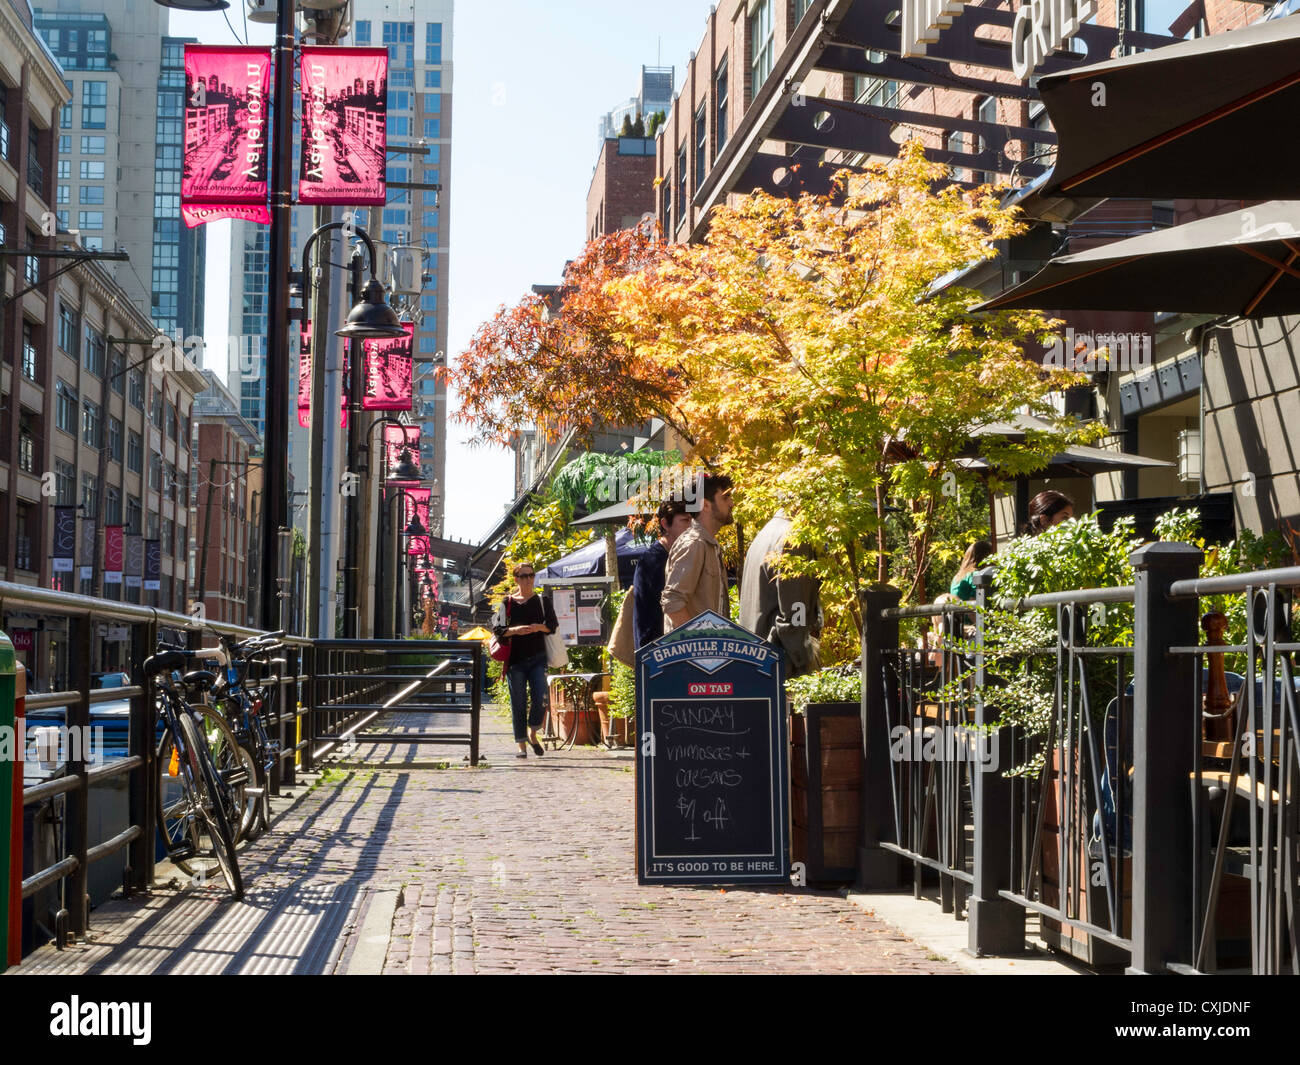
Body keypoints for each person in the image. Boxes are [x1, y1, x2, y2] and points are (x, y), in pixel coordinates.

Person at [739, 512, 823, 677]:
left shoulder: (762, 536)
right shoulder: (794, 539)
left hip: (756, 658)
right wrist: (804, 658)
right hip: (782, 664)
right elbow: (795, 611)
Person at [492, 562, 559, 759]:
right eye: (523, 576)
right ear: (516, 579)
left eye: (531, 575)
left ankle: (533, 732)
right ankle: (521, 745)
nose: (528, 579)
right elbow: (498, 629)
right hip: (515, 661)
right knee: (518, 703)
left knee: (541, 697)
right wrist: (515, 630)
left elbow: (552, 625)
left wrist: (539, 627)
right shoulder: (508, 602)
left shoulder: (541, 600)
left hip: (538, 657)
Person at [662, 473, 734, 632]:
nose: (731, 503)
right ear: (705, 505)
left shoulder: (708, 544)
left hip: (710, 654)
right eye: (725, 497)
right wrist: (700, 640)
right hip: (692, 656)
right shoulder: (694, 543)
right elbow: (672, 602)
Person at [632, 498, 694, 649]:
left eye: (693, 521)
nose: (691, 528)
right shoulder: (652, 561)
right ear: (665, 524)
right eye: (685, 520)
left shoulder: (676, 555)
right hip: (656, 652)